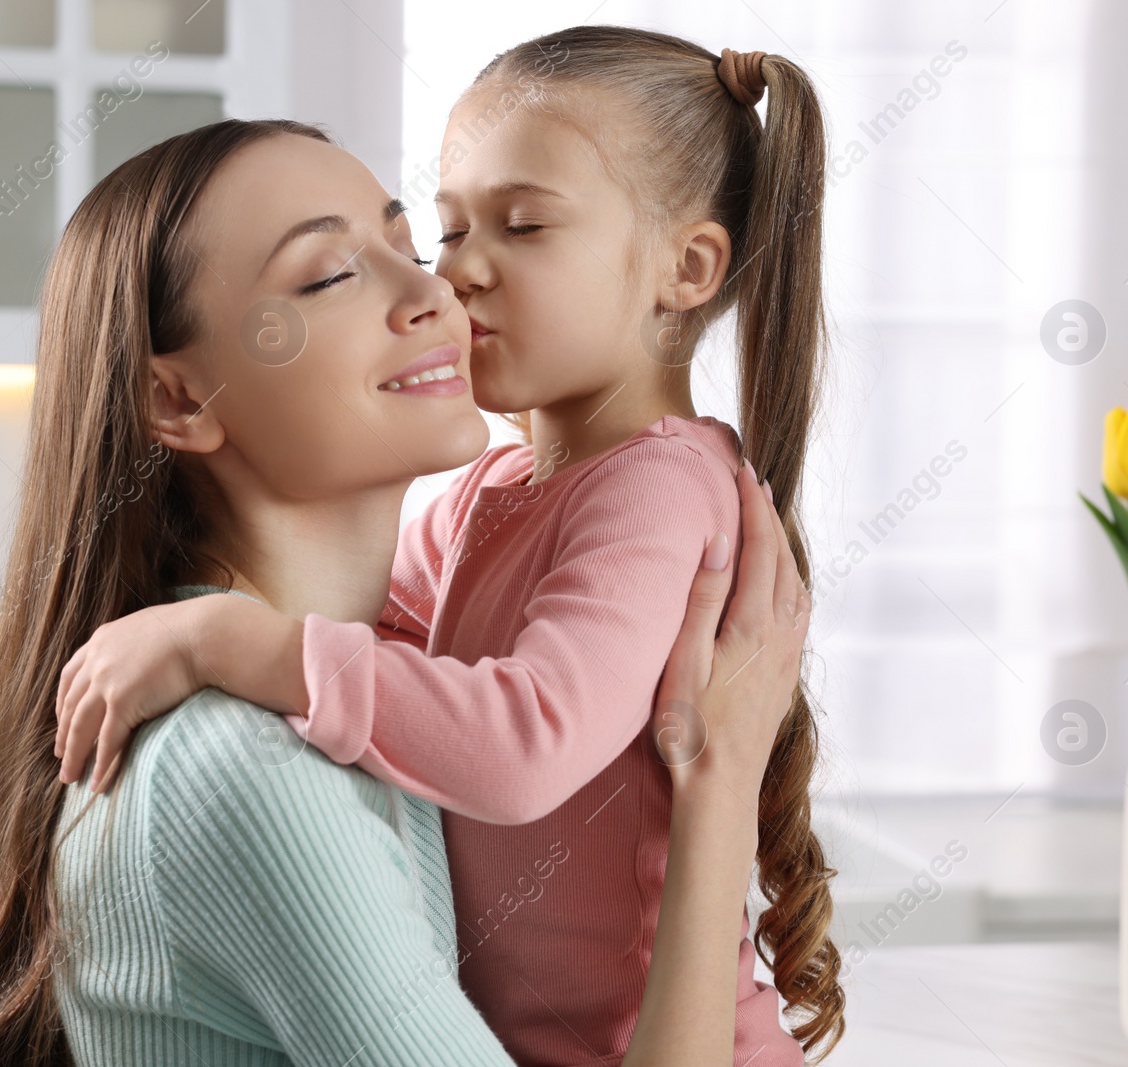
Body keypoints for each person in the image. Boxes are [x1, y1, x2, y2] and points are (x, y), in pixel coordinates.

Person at [56, 25, 843, 1064]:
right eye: (447, 230)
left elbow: (519, 743)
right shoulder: (494, 489)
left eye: (519, 227)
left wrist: (217, 637)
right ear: (179, 394)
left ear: (686, 269)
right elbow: (374, 636)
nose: (451, 276)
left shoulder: (661, 487)